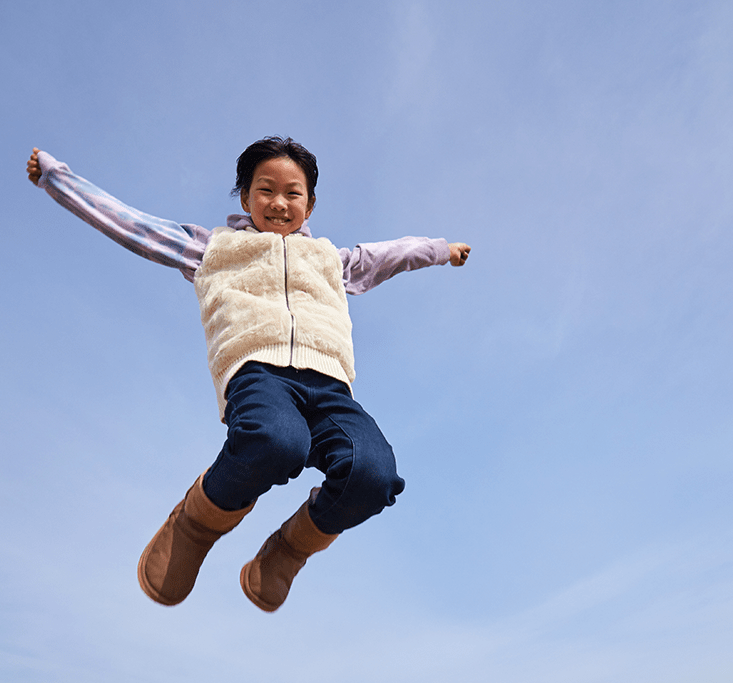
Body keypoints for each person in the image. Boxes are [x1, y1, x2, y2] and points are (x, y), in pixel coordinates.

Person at [26, 137, 470, 612]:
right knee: (277, 441)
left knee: (374, 474)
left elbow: (390, 254)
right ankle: (196, 525)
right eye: (265, 190)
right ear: (245, 198)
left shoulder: (330, 260)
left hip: (329, 385)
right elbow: (132, 225)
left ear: (310, 204)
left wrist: (440, 249)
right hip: (259, 373)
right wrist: (58, 179)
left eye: (292, 193)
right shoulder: (214, 247)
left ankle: (290, 549)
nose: (279, 203)